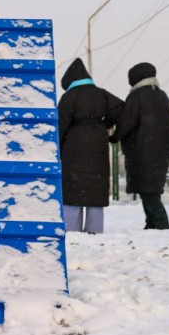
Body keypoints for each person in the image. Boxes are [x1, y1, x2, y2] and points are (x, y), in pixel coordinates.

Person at [57, 58, 123, 233]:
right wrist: (107, 126)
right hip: (98, 147)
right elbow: (122, 110)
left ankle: (71, 232)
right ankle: (95, 232)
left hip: (73, 148)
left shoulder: (68, 97)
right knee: (96, 194)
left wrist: (57, 150)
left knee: (72, 193)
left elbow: (60, 126)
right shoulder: (102, 94)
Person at [110, 63, 169, 230]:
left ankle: (162, 224)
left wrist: (114, 137)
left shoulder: (137, 96)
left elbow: (126, 122)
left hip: (141, 150)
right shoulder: (162, 96)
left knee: (148, 190)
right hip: (162, 150)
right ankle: (151, 223)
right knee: (152, 188)